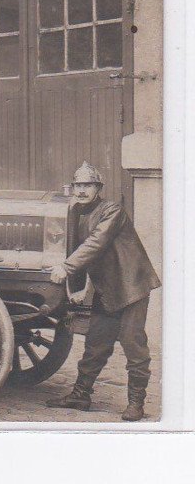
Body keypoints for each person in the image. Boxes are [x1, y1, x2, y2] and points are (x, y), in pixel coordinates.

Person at [46, 162, 161, 421]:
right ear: (73, 187)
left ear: (99, 188)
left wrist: (66, 267)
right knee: (96, 343)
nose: (83, 190)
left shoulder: (112, 210)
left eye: (89, 185)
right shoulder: (76, 212)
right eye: (79, 185)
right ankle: (80, 395)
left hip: (132, 287)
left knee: (134, 345)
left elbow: (96, 243)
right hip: (105, 288)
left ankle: (136, 403)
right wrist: (79, 288)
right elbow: (82, 252)